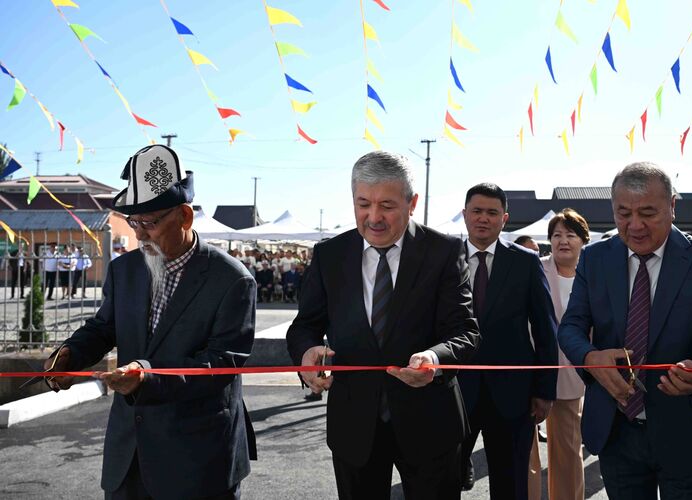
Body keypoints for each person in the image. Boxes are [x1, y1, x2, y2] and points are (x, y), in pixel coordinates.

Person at [43, 144, 257, 500]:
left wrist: (146, 377)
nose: (139, 235)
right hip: (129, 457)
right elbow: (104, 327)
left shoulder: (232, 280)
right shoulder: (123, 270)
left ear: (184, 217)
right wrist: (71, 354)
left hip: (198, 458)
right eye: (133, 222)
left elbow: (221, 364)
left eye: (150, 223)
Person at [286, 150, 480, 500]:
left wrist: (434, 359)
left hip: (430, 424)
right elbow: (304, 327)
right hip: (354, 426)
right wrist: (307, 353)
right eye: (363, 204)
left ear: (412, 203)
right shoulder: (330, 255)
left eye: (387, 206)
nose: (373, 217)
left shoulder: (444, 252)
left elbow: (466, 331)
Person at [557, 162, 692, 499]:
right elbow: (571, 327)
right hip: (617, 430)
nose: (635, 225)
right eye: (623, 213)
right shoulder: (595, 259)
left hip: (688, 431)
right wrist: (590, 357)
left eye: (647, 213)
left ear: (672, 206)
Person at [458, 183, 558, 499]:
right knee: (442, 480)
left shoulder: (525, 262)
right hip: (452, 392)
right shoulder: (443, 259)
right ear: (465, 215)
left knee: (511, 484)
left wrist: (545, 390)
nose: (483, 218)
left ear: (504, 219)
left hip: (513, 395)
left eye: (492, 212)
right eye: (477, 211)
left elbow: (545, 329)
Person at [528, 208, 589, 500]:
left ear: (583, 240)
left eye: (570, 235)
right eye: (556, 235)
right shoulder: (534, 268)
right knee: (523, 451)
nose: (563, 240)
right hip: (530, 366)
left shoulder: (592, 275)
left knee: (568, 450)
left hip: (572, 372)